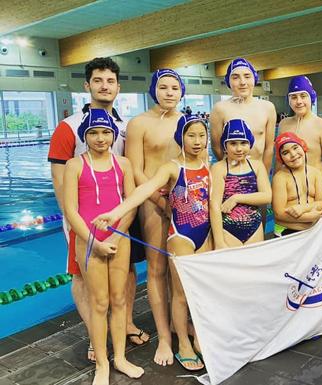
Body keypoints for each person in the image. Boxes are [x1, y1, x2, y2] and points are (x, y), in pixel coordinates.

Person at [48, 57, 147, 363]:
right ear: (87, 85)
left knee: (126, 269)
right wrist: (74, 221)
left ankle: (125, 322)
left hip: (118, 216)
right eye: (98, 80)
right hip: (83, 218)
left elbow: (129, 171)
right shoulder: (69, 127)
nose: (105, 86)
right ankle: (97, 333)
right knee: (81, 275)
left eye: (111, 81)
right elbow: (59, 179)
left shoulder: (123, 125)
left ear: (118, 86)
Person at [93, 115, 210, 371]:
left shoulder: (209, 165)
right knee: (179, 296)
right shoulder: (171, 167)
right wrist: (116, 212)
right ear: (181, 137)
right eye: (191, 135)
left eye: (202, 135)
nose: (197, 141)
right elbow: (143, 191)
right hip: (182, 236)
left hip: (206, 234)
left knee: (200, 293)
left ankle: (199, 335)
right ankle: (182, 344)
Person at [62, 108, 143, 385]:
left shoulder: (123, 163)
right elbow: (71, 209)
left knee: (119, 300)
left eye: (105, 132)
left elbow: (130, 204)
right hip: (88, 242)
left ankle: (120, 357)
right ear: (85, 136)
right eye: (94, 133)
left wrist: (117, 236)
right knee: (99, 303)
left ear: (113, 134)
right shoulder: (75, 165)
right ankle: (102, 364)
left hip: (120, 239)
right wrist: (93, 241)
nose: (100, 138)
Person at [124, 68, 185, 366]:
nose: (170, 92)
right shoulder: (139, 124)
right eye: (164, 87)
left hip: (185, 202)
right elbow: (135, 169)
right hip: (153, 201)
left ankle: (180, 325)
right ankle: (163, 338)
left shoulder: (186, 122)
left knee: (181, 268)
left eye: (175, 87)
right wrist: (159, 200)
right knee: (158, 269)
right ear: (153, 89)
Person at [278, 76, 322, 216]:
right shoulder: (283, 124)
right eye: (293, 97)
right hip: (289, 193)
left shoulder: (321, 125)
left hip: (314, 193)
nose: (299, 101)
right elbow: (279, 162)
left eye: (303, 96)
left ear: (311, 97)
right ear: (288, 100)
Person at [210, 119, 272, 249]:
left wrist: (236, 197)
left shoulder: (257, 166)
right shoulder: (219, 168)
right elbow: (214, 206)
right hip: (228, 230)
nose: (239, 149)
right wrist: (219, 241)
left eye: (243, 143)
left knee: (254, 268)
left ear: (250, 144)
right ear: (225, 145)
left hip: (254, 228)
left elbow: (267, 196)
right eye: (233, 143)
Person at [210, 58, 276, 173]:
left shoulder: (267, 108)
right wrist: (231, 172)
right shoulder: (219, 109)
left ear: (254, 79)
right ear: (228, 81)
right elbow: (216, 147)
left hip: (258, 172)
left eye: (247, 76)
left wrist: (263, 176)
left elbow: (269, 148)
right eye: (235, 77)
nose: (242, 82)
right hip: (231, 173)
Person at [272, 132, 322, 236]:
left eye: (295, 147)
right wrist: (308, 217)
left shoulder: (316, 173)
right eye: (285, 153)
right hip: (286, 231)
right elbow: (278, 213)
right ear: (281, 159)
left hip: (313, 231)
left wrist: (303, 208)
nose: (293, 154)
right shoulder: (280, 178)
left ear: (303, 147)